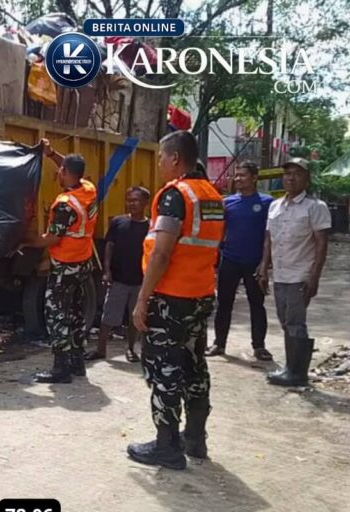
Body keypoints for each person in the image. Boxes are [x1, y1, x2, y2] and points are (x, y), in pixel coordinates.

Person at [127, 131, 224, 470]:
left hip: (171, 298)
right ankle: (195, 439)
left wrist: (142, 299)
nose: (158, 164)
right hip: (200, 295)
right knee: (195, 365)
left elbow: (163, 252)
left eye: (160, 157)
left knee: (165, 369)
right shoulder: (212, 196)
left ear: (175, 159)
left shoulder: (175, 196)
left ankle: (166, 446)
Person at [23, 139, 97, 383]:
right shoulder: (88, 190)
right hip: (83, 263)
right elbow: (71, 169)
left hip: (65, 265)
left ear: (65, 173)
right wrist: (51, 154)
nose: (57, 172)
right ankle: (77, 364)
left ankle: (60, 368)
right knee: (76, 313)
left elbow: (52, 239)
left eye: (60, 170)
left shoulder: (65, 205)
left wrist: (26, 241)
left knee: (57, 315)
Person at [258, 157, 331, 387]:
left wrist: (314, 276)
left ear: (306, 179)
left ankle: (297, 373)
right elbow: (269, 239)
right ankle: (292, 367)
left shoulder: (315, 207)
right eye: (287, 173)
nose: (290, 177)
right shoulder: (275, 206)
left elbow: (321, 243)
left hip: (300, 274)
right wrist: (263, 266)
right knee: (284, 320)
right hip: (280, 273)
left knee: (295, 322)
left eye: (297, 173)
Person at [207, 162, 273, 360]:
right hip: (230, 260)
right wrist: (216, 257)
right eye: (236, 176)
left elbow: (269, 236)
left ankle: (259, 346)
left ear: (254, 177)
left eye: (242, 175)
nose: (237, 179)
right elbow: (219, 230)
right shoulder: (227, 202)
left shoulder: (266, 202)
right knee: (224, 303)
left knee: (257, 304)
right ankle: (219, 344)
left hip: (254, 262)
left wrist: (265, 263)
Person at [87, 186, 150, 363]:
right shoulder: (118, 222)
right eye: (129, 200)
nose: (131, 203)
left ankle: (130, 349)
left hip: (140, 281)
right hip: (119, 279)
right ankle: (100, 349)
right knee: (108, 316)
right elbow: (109, 246)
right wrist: (106, 271)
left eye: (136, 200)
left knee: (134, 318)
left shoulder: (150, 226)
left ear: (145, 203)